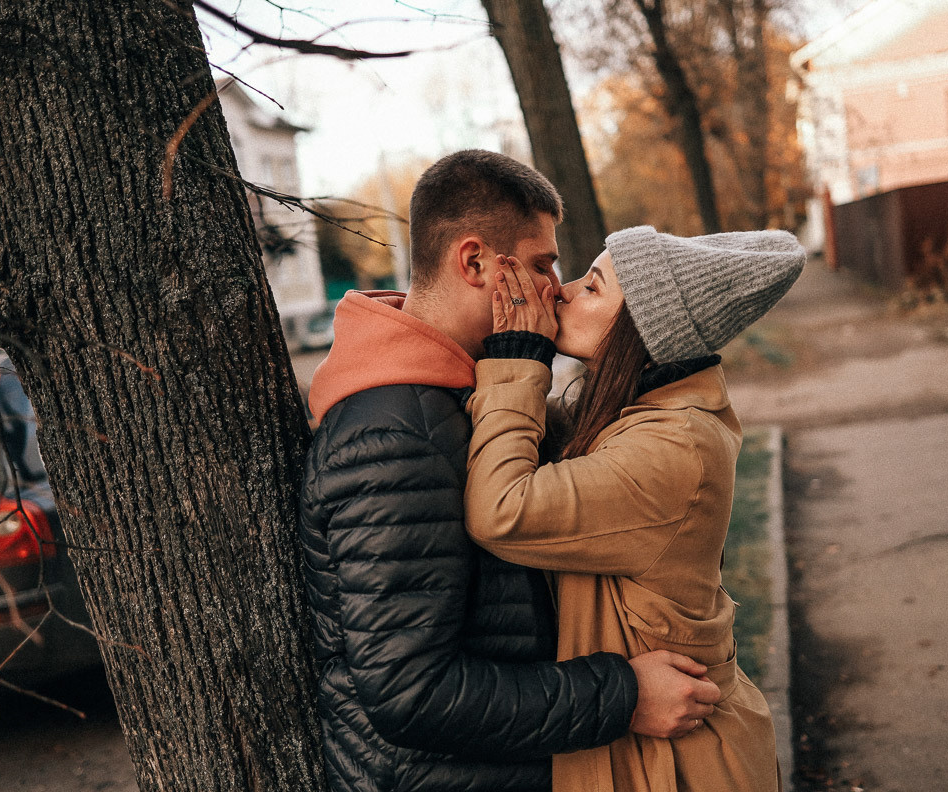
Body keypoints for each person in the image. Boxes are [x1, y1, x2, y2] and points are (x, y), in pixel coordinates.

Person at [298, 151, 722, 792]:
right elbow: (410, 692)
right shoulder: (394, 431)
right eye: (543, 264)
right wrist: (622, 695)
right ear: (474, 263)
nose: (556, 287)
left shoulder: (453, 398)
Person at [464, 226, 807, 792]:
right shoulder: (644, 416)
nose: (562, 291)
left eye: (593, 289)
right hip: (649, 752)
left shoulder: (672, 449)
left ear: (645, 332)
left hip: (680, 766)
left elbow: (502, 508)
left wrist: (516, 359)